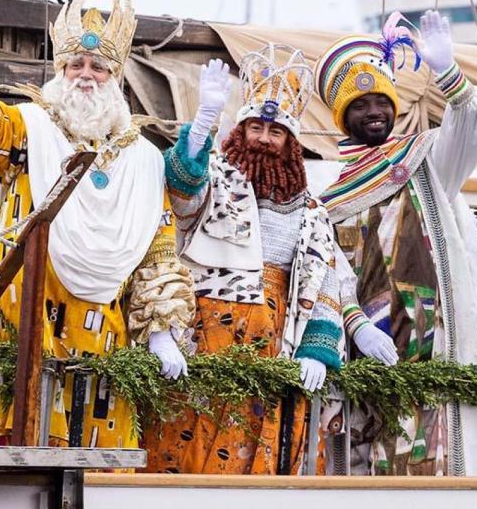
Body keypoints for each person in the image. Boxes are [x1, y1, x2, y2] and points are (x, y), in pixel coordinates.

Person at [0, 0, 195, 448]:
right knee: (17, 440)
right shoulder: (30, 128)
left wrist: (162, 332)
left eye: (98, 66)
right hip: (25, 321)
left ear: (115, 75)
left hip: (103, 335)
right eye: (75, 65)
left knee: (96, 461)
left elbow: (159, 251)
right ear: (61, 70)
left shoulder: (145, 159)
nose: (86, 75)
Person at [145, 44, 370, 475]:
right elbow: (181, 194)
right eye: (256, 129)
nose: (265, 139)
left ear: (290, 143)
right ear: (241, 131)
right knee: (187, 446)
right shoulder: (213, 178)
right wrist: (200, 128)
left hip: (275, 347)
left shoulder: (311, 211)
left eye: (276, 132)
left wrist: (317, 351)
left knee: (259, 457)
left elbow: (325, 283)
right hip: (204, 337)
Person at [315, 10, 477, 476]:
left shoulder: (426, 160)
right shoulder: (329, 198)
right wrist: (355, 325)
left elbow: (476, 121)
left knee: (447, 462)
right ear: (343, 115)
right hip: (370, 354)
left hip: (437, 342)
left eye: (380, 101)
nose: (374, 113)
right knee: (373, 468)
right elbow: (331, 272)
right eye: (360, 105)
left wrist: (447, 72)